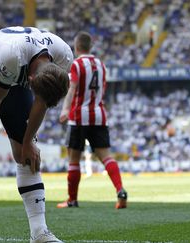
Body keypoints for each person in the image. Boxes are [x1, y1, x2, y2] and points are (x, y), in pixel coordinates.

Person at [0, 26, 73, 243]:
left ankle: (39, 232)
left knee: (26, 154)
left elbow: (43, 102)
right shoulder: (12, 55)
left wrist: (29, 141)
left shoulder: (63, 55)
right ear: (30, 81)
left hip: (20, 71)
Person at [57, 31, 128, 209]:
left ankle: (72, 200)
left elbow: (72, 89)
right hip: (99, 115)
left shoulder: (77, 65)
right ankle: (120, 190)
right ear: (91, 47)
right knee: (106, 157)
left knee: (74, 159)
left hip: (79, 116)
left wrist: (65, 109)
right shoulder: (101, 65)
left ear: (76, 46)